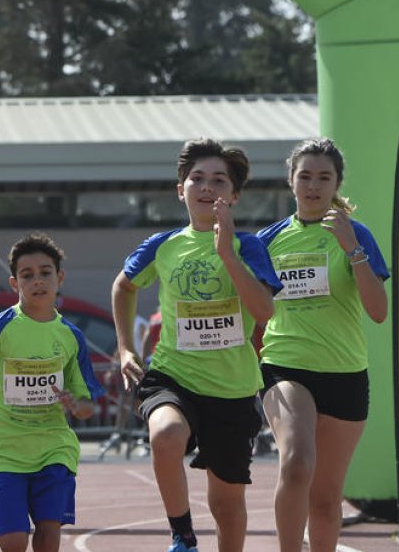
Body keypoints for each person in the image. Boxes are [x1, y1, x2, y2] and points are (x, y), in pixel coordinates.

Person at [112, 138, 281, 552]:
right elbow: (123, 286)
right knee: (165, 434)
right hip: (174, 375)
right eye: (197, 179)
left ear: (234, 194)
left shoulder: (249, 246)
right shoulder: (162, 246)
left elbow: (264, 312)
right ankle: (182, 535)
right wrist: (124, 349)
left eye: (219, 181)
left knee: (226, 504)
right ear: (181, 189)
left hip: (232, 388)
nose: (207, 187)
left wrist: (226, 254)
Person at [255, 138, 389, 552]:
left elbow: (379, 310)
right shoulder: (267, 239)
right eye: (305, 176)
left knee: (327, 499)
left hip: (345, 373)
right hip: (285, 365)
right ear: (291, 182)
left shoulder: (356, 234)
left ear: (336, 184)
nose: (313, 186)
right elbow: (252, 307)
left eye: (323, 177)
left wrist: (352, 251)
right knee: (296, 464)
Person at [0, 233, 104, 551]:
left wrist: (77, 406)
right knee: (12, 541)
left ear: (59, 277)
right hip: (4, 451)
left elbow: (86, 405)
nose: (37, 281)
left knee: (49, 535)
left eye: (45, 272)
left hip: (53, 447)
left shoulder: (71, 336)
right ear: (15, 283)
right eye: (27, 275)